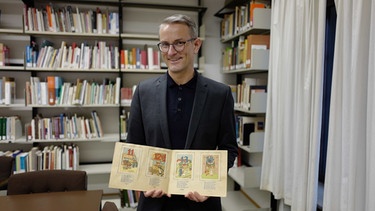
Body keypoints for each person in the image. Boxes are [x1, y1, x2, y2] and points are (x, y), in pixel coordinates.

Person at [126, 14, 238, 211]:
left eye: (179, 43)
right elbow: (134, 146)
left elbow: (228, 148)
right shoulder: (143, 92)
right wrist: (141, 182)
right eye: (165, 44)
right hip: (155, 204)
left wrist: (210, 186)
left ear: (196, 45)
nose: (171, 52)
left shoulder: (219, 94)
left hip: (201, 203)